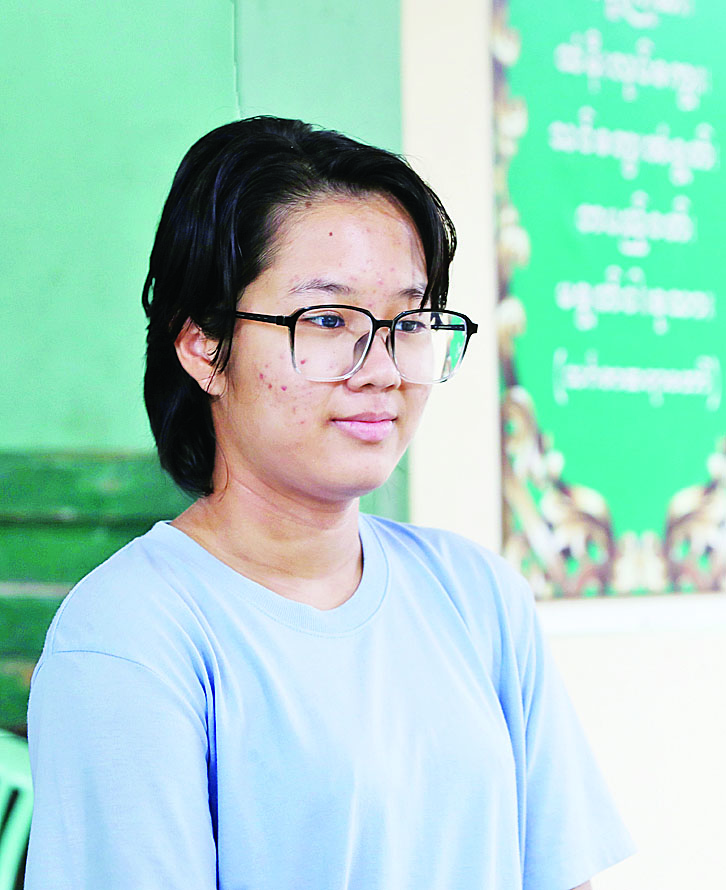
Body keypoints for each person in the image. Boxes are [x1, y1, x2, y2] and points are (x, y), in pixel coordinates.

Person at [24, 116, 633, 890]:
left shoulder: (479, 597)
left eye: (409, 322)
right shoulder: (130, 636)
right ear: (204, 345)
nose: (383, 369)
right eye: (327, 320)